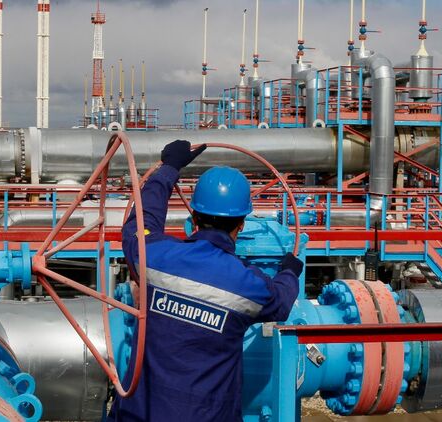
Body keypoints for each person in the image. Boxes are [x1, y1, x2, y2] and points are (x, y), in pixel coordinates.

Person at [108, 140, 303, 421]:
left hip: (140, 414)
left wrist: (169, 168)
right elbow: (281, 302)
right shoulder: (249, 286)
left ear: (194, 216)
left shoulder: (156, 256)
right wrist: (289, 271)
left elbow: (139, 225)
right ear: (241, 224)